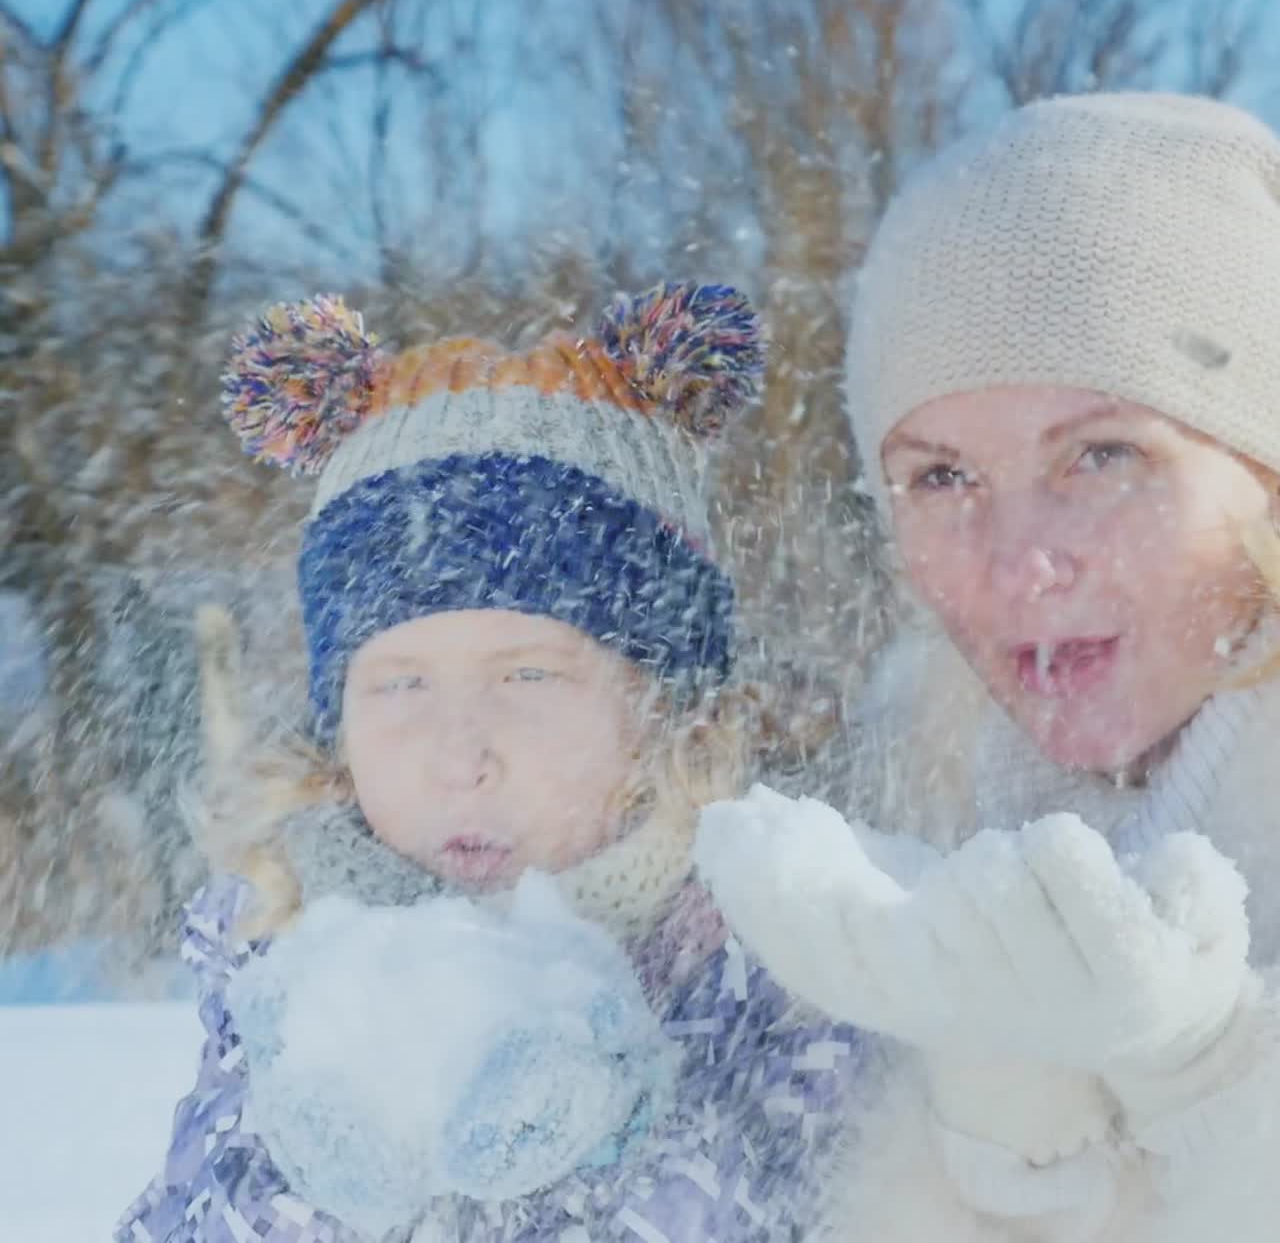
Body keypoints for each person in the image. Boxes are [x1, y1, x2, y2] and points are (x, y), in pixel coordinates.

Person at [117, 283, 861, 1243]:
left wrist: (594, 1134)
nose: (458, 758)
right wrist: (318, 1162)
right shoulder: (280, 942)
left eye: (528, 677)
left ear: (667, 712)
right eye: (400, 686)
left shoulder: (779, 957)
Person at [696, 92, 1280, 1241]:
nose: (1020, 566)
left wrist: (1204, 1075)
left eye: (1100, 453)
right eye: (940, 477)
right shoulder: (893, 795)